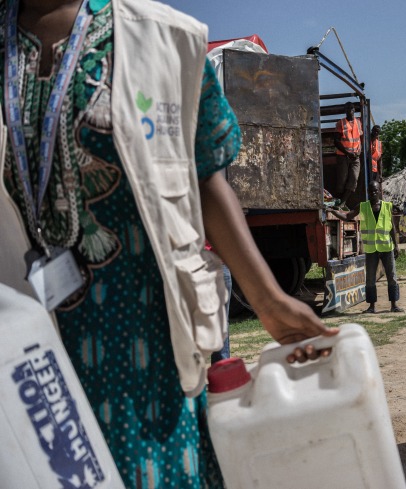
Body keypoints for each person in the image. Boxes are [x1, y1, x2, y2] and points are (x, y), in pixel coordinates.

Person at [0, 1, 338, 488]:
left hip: (149, 336)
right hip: (26, 343)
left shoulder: (164, 39)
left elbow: (207, 176)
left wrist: (267, 298)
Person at [331, 180, 404, 314]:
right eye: (371, 191)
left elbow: (392, 228)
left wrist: (396, 246)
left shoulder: (387, 206)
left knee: (392, 276)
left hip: (386, 247)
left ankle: (394, 305)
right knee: (370, 278)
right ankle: (371, 307)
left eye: (376, 190)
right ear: (368, 192)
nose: (373, 193)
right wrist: (332, 211)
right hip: (371, 250)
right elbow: (347, 216)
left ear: (379, 191)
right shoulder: (362, 206)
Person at [334, 101, 363, 208]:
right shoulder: (340, 123)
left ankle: (343, 202)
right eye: (347, 109)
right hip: (343, 156)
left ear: (354, 110)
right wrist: (347, 152)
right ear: (345, 110)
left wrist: (358, 151)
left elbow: (360, 139)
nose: (349, 110)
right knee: (342, 180)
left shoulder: (358, 122)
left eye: (351, 108)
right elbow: (336, 141)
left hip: (355, 156)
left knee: (354, 178)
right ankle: (337, 201)